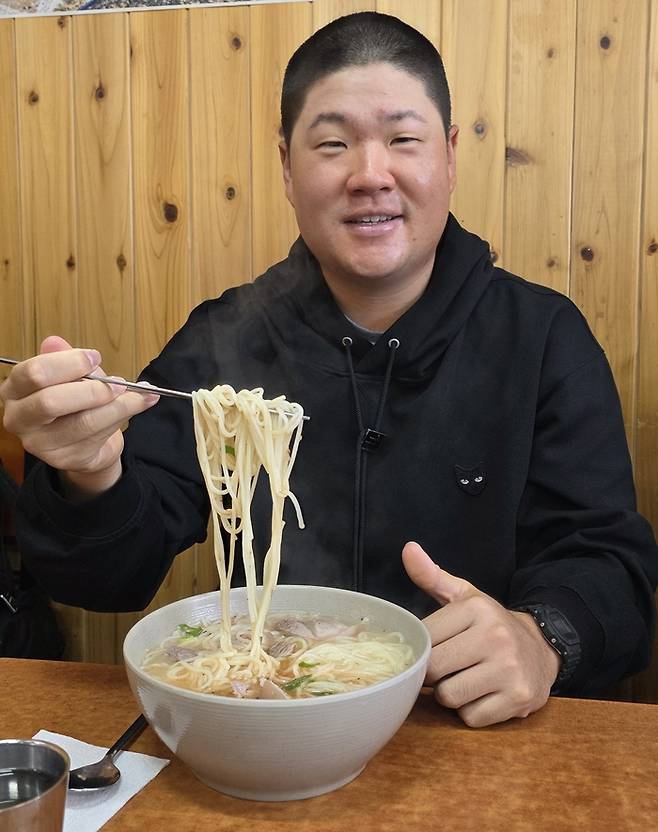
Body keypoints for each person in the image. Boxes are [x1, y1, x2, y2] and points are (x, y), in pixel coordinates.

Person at [1, 12, 657, 728]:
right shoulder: (226, 340)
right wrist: (88, 472)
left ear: (449, 155)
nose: (370, 175)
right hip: (269, 726)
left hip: (473, 730)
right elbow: (107, 576)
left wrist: (543, 637)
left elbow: (612, 566)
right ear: (288, 166)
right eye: (333, 144)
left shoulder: (542, 337)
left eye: (403, 140)